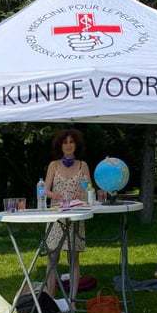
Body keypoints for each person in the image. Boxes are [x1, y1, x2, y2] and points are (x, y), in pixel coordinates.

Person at [43, 128, 91, 300]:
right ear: (60, 145)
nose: (68, 145)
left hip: (76, 216)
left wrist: (83, 194)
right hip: (55, 216)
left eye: (71, 142)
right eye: (65, 142)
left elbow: (89, 190)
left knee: (73, 259)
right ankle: (50, 298)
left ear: (76, 144)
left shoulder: (82, 165)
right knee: (52, 258)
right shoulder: (53, 165)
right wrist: (54, 195)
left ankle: (72, 300)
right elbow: (45, 190)